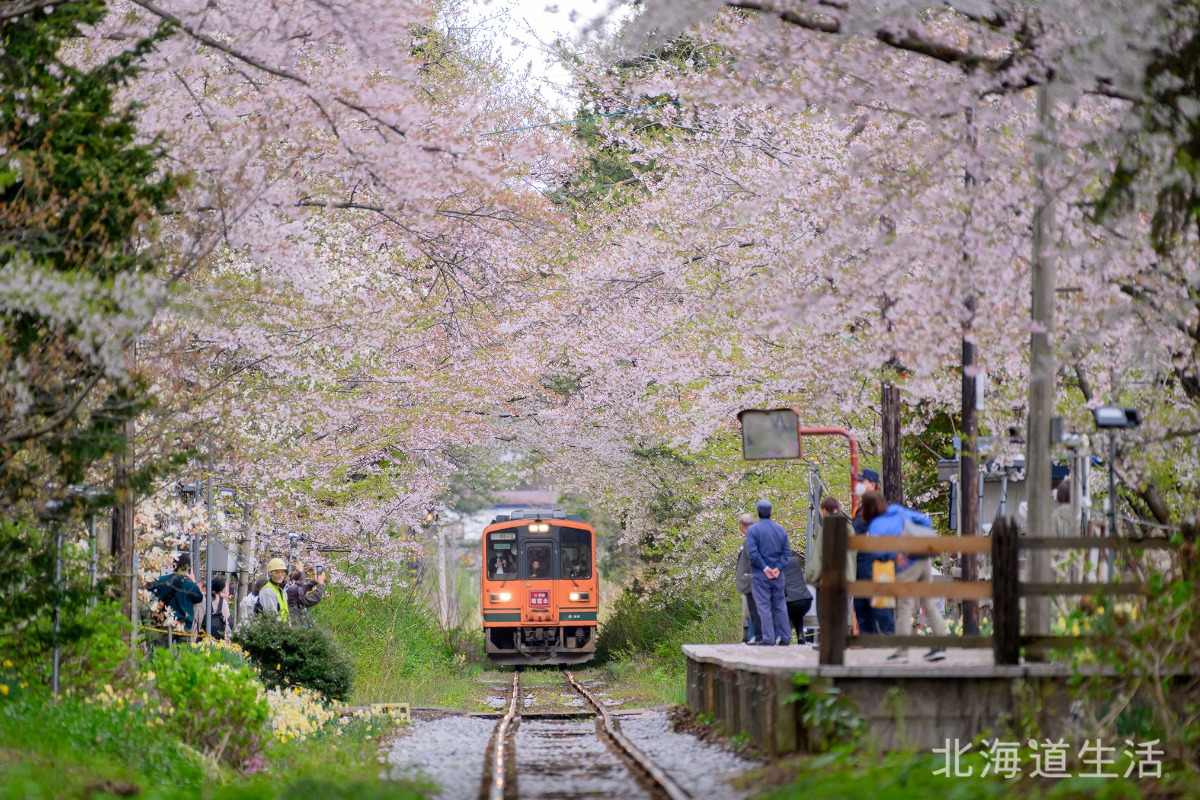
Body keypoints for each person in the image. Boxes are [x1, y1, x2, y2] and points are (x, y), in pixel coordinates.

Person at [861, 490, 949, 661]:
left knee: (904, 609)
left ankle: (902, 652)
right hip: (923, 559)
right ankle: (941, 646)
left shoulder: (876, 525)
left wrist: (893, 555)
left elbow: (876, 550)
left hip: (906, 566)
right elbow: (925, 520)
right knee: (929, 604)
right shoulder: (897, 511)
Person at [745, 499, 792, 646]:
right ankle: (785, 637)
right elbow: (786, 553)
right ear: (771, 512)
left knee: (764, 606)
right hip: (778, 575)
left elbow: (753, 553)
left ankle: (768, 638)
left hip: (761, 574)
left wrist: (765, 568)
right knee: (780, 605)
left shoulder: (753, 531)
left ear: (758, 513)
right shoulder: (781, 530)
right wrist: (777, 568)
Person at [853, 474, 895, 636]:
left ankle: (889, 642)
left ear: (873, 484)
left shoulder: (880, 508)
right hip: (861, 561)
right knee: (862, 605)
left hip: (877, 562)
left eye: (862, 482)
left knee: (880, 607)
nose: (859, 486)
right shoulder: (862, 508)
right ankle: (868, 641)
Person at [148, 554, 205, 639]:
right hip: (184, 625)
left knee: (162, 651)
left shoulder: (161, 580)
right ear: (187, 568)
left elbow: (147, 589)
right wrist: (193, 580)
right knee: (182, 651)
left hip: (165, 622)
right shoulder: (191, 585)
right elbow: (199, 598)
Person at [805, 497, 856, 589]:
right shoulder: (849, 528)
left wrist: (812, 577)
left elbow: (819, 555)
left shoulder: (826, 529)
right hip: (848, 578)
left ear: (824, 510)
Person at [734, 513, 762, 643]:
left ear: (741, 526)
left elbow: (754, 559)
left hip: (752, 581)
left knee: (753, 611)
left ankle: (755, 637)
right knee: (753, 611)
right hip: (755, 580)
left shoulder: (751, 539)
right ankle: (755, 636)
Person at [782, 546, 813, 644]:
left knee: (784, 617)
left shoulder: (777, 564)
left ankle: (785, 638)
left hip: (790, 600)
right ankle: (800, 636)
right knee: (798, 616)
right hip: (805, 599)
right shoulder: (795, 561)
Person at [202, 575, 230, 640]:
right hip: (218, 637)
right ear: (222, 589)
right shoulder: (223, 602)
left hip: (203, 635)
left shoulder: (204, 599)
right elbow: (227, 617)